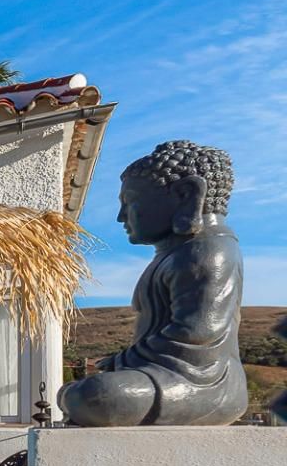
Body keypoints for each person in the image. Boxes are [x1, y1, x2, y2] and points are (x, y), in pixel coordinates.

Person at [59, 140, 246, 426]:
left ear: (186, 195)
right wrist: (126, 360)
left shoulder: (211, 251)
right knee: (79, 394)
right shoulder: (175, 254)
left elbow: (196, 334)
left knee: (98, 396)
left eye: (130, 202)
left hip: (202, 383)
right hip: (163, 374)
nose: (121, 216)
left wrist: (124, 361)